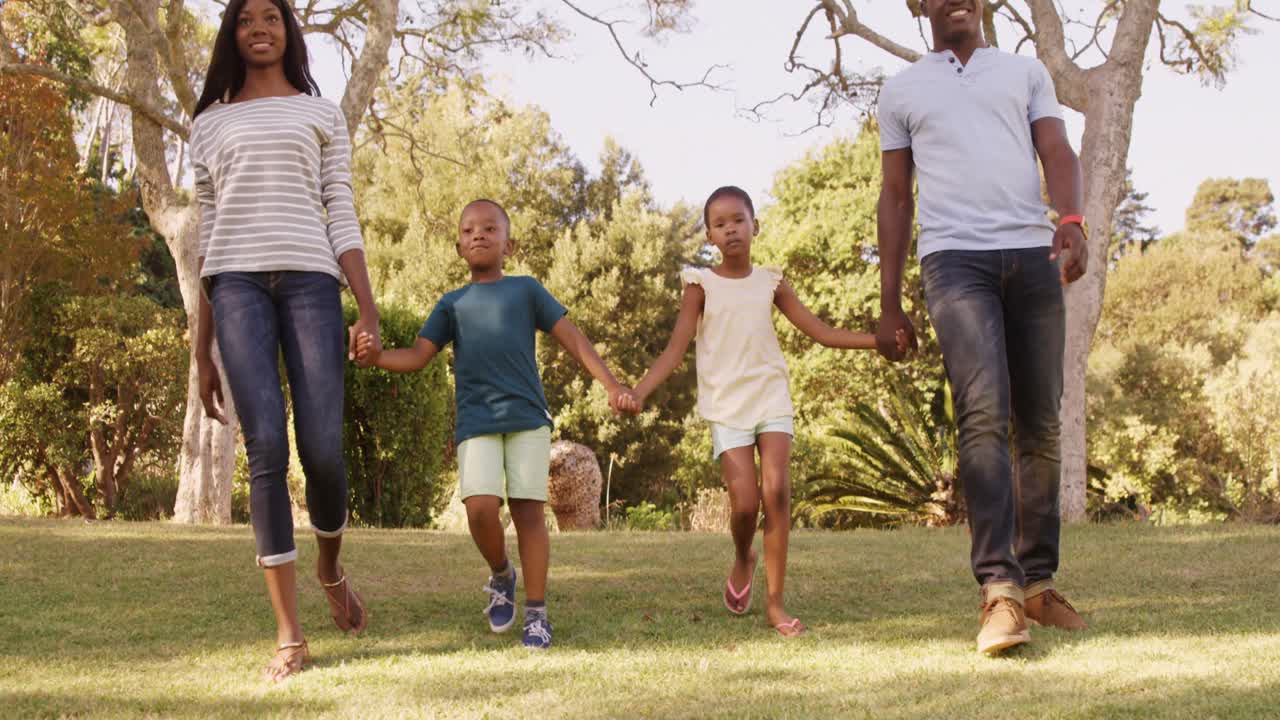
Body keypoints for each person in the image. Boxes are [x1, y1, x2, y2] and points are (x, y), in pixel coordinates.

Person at [874, 0, 1090, 655]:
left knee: (1042, 422)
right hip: (953, 260)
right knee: (984, 412)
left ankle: (1039, 583)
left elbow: (1056, 148)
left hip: (1030, 254)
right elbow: (895, 194)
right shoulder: (902, 88)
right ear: (920, 5)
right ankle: (999, 591)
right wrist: (889, 301)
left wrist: (1073, 222)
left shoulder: (1023, 72)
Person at [190, 0, 377, 682]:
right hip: (235, 287)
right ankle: (290, 637)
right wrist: (199, 350)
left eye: (271, 17)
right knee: (265, 445)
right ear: (232, 36)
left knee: (323, 447)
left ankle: (329, 567)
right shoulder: (208, 123)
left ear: (288, 31)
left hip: (310, 283)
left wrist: (368, 308)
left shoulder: (321, 114)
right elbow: (206, 240)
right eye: (246, 20)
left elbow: (343, 211)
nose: (259, 28)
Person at [355, 199, 634, 649]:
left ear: (509, 243)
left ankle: (538, 615)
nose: (478, 235)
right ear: (459, 247)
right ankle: (503, 573)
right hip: (476, 421)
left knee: (528, 513)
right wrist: (376, 357)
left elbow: (572, 338)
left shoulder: (526, 290)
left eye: (488, 228)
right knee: (480, 509)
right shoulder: (452, 303)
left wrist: (611, 383)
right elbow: (418, 356)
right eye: (467, 231)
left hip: (527, 419)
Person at [625, 186, 902, 637]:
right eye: (720, 223)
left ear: (756, 226)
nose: (730, 229)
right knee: (745, 505)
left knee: (776, 494)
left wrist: (879, 341)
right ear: (710, 235)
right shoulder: (700, 285)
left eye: (739, 220)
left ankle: (775, 603)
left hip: (772, 398)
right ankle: (742, 556)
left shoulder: (771, 281)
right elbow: (675, 352)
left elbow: (821, 332)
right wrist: (638, 392)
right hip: (727, 407)